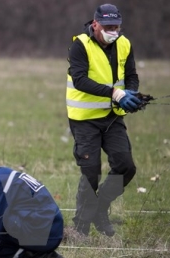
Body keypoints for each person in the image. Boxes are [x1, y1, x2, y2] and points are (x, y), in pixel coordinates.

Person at [65, 4, 140, 237]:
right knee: (91, 172)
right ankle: (81, 226)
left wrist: (132, 94)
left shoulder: (125, 43)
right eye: (108, 27)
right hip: (84, 119)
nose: (113, 31)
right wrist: (116, 93)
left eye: (116, 27)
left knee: (126, 166)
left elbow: (131, 76)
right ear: (95, 24)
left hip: (112, 118)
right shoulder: (80, 45)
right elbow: (79, 80)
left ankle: (100, 209)